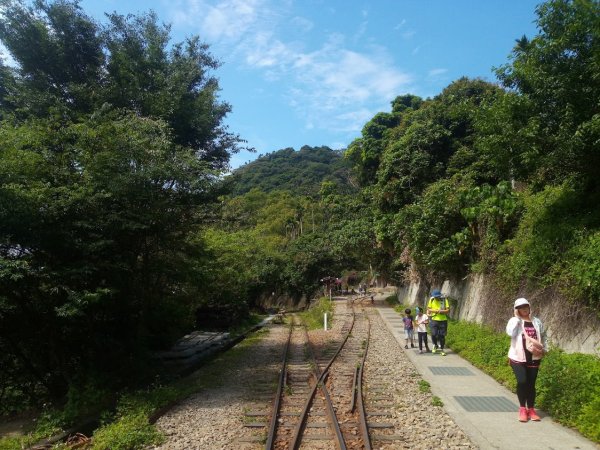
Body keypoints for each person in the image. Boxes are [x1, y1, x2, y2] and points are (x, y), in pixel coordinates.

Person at [506, 297, 547, 422]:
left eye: (525, 306)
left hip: (534, 357)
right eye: (520, 307)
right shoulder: (514, 320)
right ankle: (522, 408)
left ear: (529, 307)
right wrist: (517, 319)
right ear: (516, 309)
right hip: (517, 357)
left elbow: (544, 336)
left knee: (531, 383)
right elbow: (510, 333)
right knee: (522, 381)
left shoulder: (536, 321)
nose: (524, 309)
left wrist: (545, 349)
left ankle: (531, 409)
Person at [427, 289, 450, 356]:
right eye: (435, 297)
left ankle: (442, 349)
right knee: (434, 334)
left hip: (443, 320)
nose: (436, 298)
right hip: (434, 319)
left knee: (442, 336)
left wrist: (441, 311)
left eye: (437, 297)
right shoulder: (431, 299)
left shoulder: (444, 300)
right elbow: (429, 309)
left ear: (440, 296)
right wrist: (436, 311)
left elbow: (448, 310)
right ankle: (435, 345)